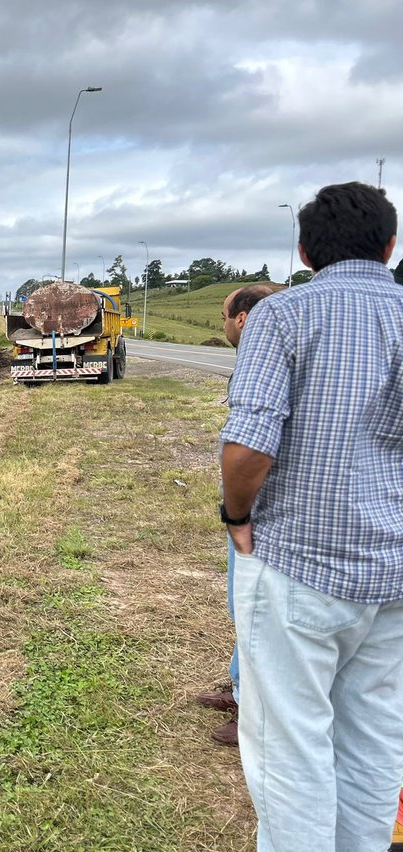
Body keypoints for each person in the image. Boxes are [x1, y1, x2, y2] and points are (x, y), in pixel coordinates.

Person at [220, 181, 403, 850]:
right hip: (393, 576)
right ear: (390, 246)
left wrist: (235, 515)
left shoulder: (282, 316)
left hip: (297, 566)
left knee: (290, 748)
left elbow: (248, 446)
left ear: (303, 251)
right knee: (375, 739)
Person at [194, 283, 279, 746]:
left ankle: (253, 710)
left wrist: (237, 514)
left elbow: (248, 447)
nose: (222, 323)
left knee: (254, 605)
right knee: (244, 604)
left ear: (242, 318)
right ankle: (240, 685)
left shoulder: (264, 362)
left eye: (224, 315)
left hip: (264, 509)